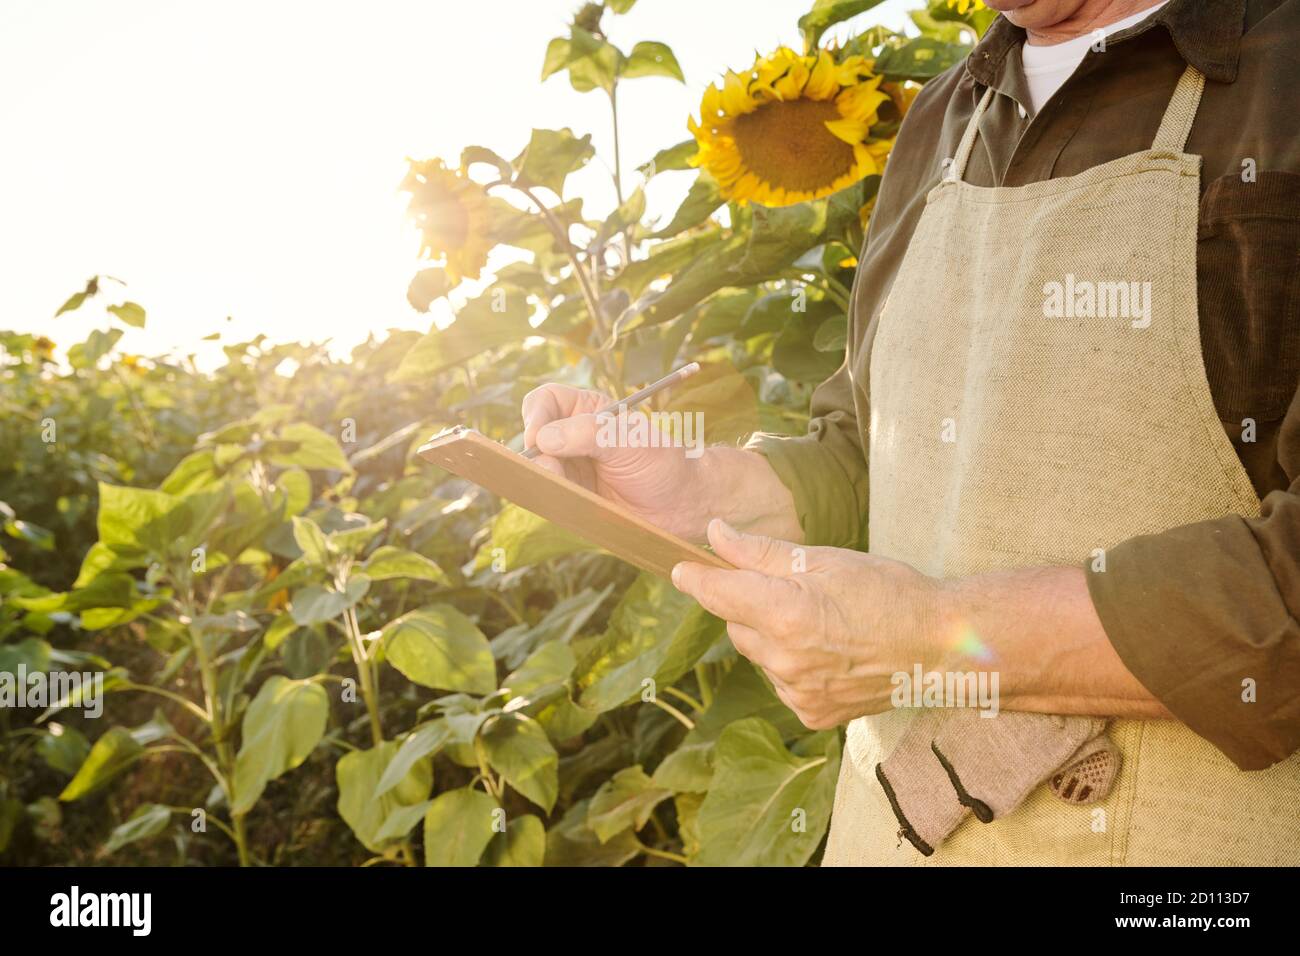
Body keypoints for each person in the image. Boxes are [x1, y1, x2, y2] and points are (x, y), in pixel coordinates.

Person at [520, 0, 1300, 865]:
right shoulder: (942, 116)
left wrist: (934, 639)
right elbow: (872, 451)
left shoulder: (1281, 71)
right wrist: (701, 489)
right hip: (892, 833)